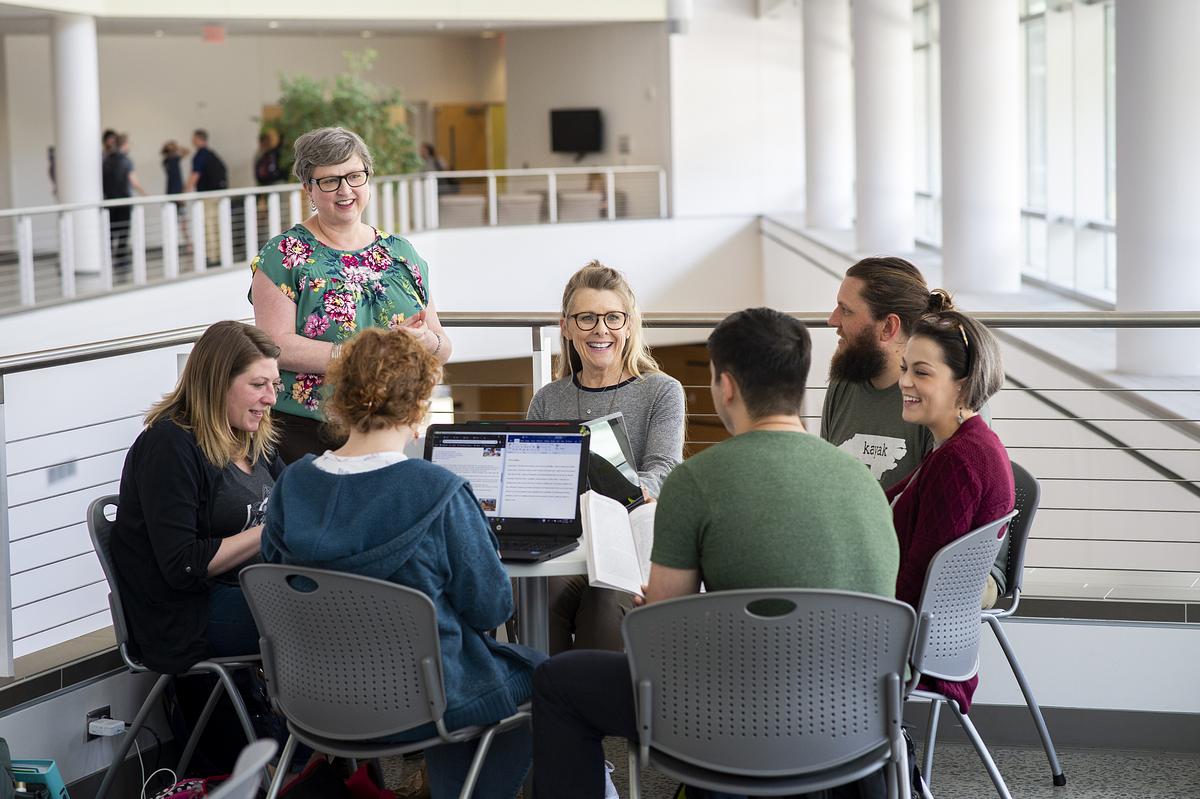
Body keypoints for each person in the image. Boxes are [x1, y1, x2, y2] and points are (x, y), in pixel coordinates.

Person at [532, 308, 900, 799]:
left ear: (725, 385)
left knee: (557, 682)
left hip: (727, 711)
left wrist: (653, 608)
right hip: (849, 716)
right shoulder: (864, 481)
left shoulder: (696, 482)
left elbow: (662, 630)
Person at [263, 327, 543, 798]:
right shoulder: (439, 492)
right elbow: (492, 610)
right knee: (540, 677)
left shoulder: (293, 485)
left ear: (340, 398)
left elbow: (278, 585)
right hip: (422, 703)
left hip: (312, 700)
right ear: (419, 408)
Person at [252, 126, 452, 464]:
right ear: (308, 189)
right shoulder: (284, 254)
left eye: (354, 176)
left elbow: (443, 345)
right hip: (308, 431)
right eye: (330, 181)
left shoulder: (401, 252)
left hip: (390, 427)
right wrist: (358, 356)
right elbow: (275, 344)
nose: (345, 190)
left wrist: (425, 341)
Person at [527, 262, 685, 654]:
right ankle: (545, 703)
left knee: (603, 604)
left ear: (629, 325)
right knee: (537, 596)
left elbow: (664, 471)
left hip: (627, 544)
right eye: (587, 318)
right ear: (565, 327)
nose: (601, 329)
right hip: (565, 545)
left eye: (613, 317)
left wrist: (616, 494)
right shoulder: (548, 399)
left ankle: (596, 709)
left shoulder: (662, 391)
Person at [110, 321, 282, 675]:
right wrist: (272, 529)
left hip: (248, 588)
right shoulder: (170, 445)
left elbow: (300, 499)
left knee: (349, 601)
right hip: (191, 615)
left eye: (274, 385)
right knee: (329, 619)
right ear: (218, 383)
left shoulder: (252, 437)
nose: (270, 398)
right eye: (257, 385)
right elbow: (183, 565)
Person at [887, 298, 1014, 713]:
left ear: (962, 384)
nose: (904, 381)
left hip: (912, 645)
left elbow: (923, 580)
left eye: (921, 372)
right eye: (905, 367)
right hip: (920, 633)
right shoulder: (961, 446)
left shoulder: (960, 461)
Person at [822, 256, 937, 491]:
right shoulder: (843, 383)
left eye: (846, 310)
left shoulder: (939, 400)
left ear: (888, 327)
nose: (832, 320)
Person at [101, 133, 146, 271]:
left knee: (110, 231)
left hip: (109, 202)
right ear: (124, 145)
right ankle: (120, 260)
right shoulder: (126, 161)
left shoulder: (106, 160)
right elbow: (134, 181)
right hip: (124, 201)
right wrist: (146, 194)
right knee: (123, 232)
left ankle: (107, 258)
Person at [187, 129, 229, 264]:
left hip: (209, 195)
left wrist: (185, 192)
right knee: (217, 224)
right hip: (219, 194)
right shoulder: (212, 154)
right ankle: (219, 255)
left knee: (209, 225)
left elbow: (195, 175)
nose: (192, 140)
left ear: (198, 139)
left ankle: (213, 257)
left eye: (193, 138)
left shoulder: (200, 155)